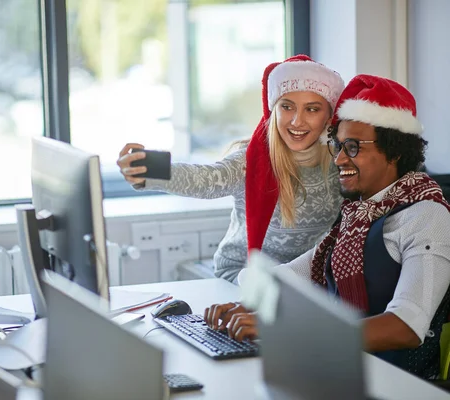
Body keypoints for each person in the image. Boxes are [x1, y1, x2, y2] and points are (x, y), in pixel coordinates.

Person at [205, 74, 450, 380]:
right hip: (345, 369)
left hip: (399, 383)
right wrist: (240, 308)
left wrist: (290, 329)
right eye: (338, 146)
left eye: (353, 147)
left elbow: (407, 325)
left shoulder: (427, 217)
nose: (339, 159)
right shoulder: (358, 216)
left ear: (396, 150)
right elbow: (298, 272)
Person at [117, 55, 345, 282]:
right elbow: (204, 179)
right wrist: (145, 170)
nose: (296, 121)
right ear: (274, 109)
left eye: (312, 110)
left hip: (305, 281)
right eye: (287, 107)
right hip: (241, 276)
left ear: (329, 117)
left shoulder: (341, 163)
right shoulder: (251, 161)